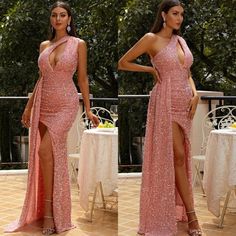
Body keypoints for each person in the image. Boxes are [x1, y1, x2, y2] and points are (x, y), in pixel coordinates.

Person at [5, 1, 99, 235]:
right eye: (54, 15)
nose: (58, 19)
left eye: (63, 15)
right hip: (43, 105)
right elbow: (41, 79)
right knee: (47, 158)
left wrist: (88, 109)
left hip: (66, 105)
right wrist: (28, 107)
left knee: (44, 152)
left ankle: (51, 215)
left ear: (69, 19)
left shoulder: (79, 44)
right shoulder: (44, 45)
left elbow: (83, 79)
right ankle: (47, 211)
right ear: (51, 19)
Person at [118, 0, 202, 235]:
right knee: (177, 156)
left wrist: (196, 94)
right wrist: (151, 69)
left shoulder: (181, 41)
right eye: (175, 13)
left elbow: (187, 73)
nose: (179, 18)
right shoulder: (150, 39)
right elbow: (123, 62)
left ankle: (182, 212)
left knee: (181, 156)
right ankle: (192, 216)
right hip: (164, 102)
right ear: (164, 15)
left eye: (182, 14)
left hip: (185, 104)